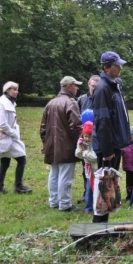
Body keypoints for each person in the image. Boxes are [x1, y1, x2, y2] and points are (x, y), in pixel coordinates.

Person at [92, 51, 131, 223]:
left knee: (110, 189)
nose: (120, 68)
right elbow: (103, 122)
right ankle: (98, 226)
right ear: (106, 68)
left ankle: (104, 224)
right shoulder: (103, 89)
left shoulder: (115, 86)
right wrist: (107, 151)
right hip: (108, 149)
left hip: (115, 145)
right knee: (104, 189)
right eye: (117, 65)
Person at [40, 76, 83, 212]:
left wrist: (46, 143)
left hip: (51, 145)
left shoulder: (50, 103)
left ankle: (54, 201)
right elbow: (76, 125)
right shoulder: (71, 102)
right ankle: (64, 204)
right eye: (75, 85)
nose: (77, 88)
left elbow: (43, 127)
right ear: (69, 86)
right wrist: (81, 142)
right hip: (66, 146)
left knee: (54, 174)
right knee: (65, 176)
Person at [0, 82, 32, 194]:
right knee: (21, 159)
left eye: (17, 89)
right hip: (6, 137)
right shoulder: (3, 104)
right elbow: (3, 124)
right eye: (14, 89)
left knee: (5, 162)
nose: (16, 91)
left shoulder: (10, 102)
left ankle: (0, 188)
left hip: (9, 137)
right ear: (7, 90)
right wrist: (13, 133)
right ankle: (18, 187)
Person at [77, 75, 100, 204]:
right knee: (86, 168)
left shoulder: (102, 100)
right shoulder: (82, 99)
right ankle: (87, 193)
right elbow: (76, 117)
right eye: (92, 86)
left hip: (98, 139)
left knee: (98, 167)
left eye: (97, 87)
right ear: (88, 85)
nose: (94, 89)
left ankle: (98, 194)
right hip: (85, 139)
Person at [75, 121, 98, 215]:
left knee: (98, 189)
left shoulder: (96, 144)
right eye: (85, 136)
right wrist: (80, 147)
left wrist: (85, 153)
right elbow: (78, 155)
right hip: (88, 172)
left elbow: (94, 157)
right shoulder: (83, 143)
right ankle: (88, 208)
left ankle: (99, 206)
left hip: (97, 170)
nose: (87, 139)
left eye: (90, 136)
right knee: (88, 189)